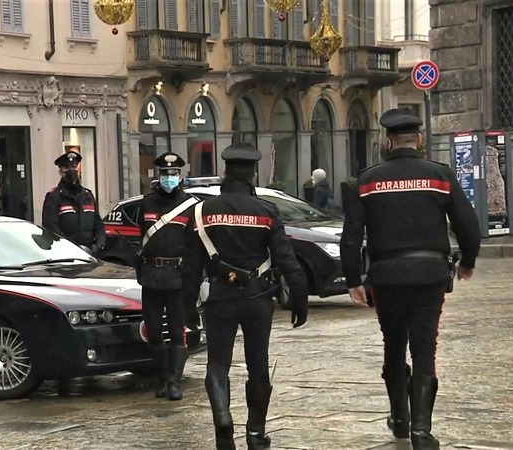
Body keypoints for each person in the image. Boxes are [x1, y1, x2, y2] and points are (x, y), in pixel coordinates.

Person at [339, 108, 481, 450]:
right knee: (424, 348)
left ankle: (399, 419)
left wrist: (353, 278)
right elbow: (468, 225)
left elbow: (351, 234)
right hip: (429, 276)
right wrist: (468, 261)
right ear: (418, 140)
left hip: (386, 278)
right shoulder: (440, 175)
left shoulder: (368, 180)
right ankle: (421, 430)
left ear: (388, 142)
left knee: (393, 343)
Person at [187, 143, 309, 450]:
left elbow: (191, 266)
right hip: (258, 297)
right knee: (258, 363)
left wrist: (187, 305)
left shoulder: (202, 212)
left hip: (219, 297)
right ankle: (255, 433)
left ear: (226, 172)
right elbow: (286, 258)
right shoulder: (266, 211)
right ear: (252, 174)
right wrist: (300, 297)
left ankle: (222, 420)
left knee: (217, 363)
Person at [134, 152, 199, 401]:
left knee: (176, 329)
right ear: (158, 176)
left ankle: (174, 381)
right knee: (153, 330)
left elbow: (195, 246)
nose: (169, 178)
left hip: (177, 276)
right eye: (165, 174)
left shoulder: (190, 206)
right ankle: (161, 379)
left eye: (173, 174)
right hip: (151, 276)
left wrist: (194, 279)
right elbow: (139, 237)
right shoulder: (147, 203)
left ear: (181, 176)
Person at [42, 151, 106, 254]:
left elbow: (98, 224)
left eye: (74, 166)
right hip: (66, 254)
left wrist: (99, 244)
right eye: (66, 168)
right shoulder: (54, 196)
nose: (71, 170)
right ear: (60, 172)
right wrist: (73, 247)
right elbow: (51, 227)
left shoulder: (87, 195)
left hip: (90, 254)